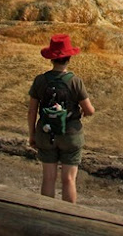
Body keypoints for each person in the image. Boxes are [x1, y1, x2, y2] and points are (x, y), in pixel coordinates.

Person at [27, 34, 95, 203]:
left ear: (51, 59)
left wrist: (32, 135)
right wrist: (83, 112)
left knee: (48, 178)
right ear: (69, 58)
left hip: (45, 132)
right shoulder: (75, 82)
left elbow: (32, 111)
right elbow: (90, 110)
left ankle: (47, 213)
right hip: (70, 134)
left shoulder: (40, 80)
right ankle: (68, 215)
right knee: (69, 180)